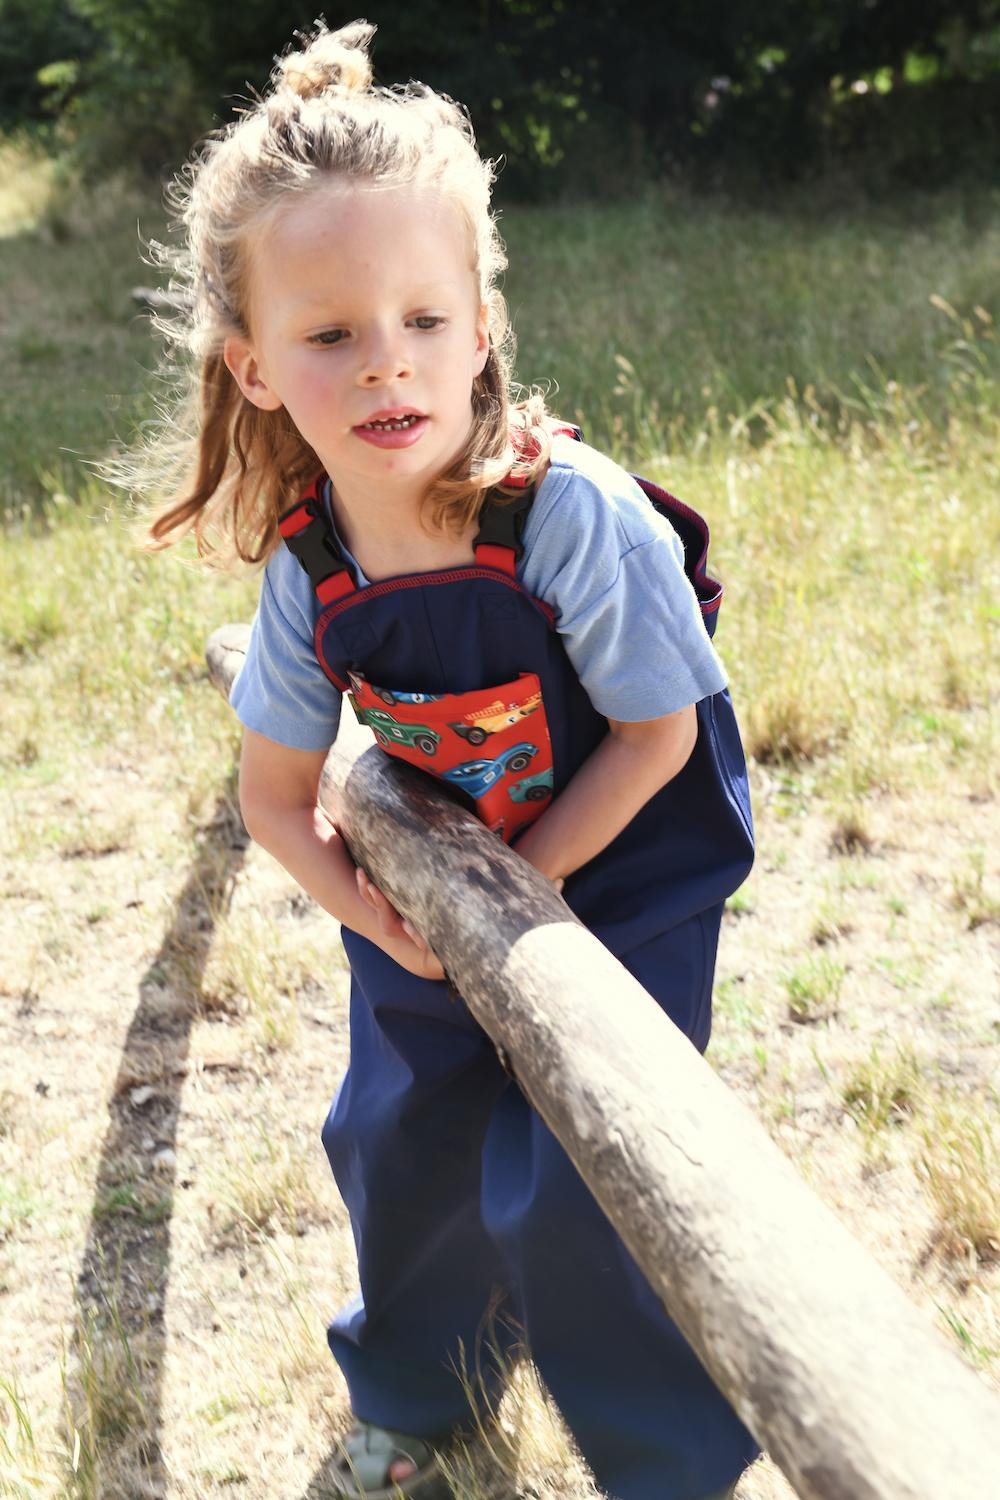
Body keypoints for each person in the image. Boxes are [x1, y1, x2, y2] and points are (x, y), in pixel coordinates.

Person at [139, 20, 757, 1500]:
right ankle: (422, 1401)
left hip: (631, 863)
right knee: (398, 1131)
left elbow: (663, 738)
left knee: (585, 1173)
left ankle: (665, 1461)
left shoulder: (570, 519)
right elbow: (277, 800)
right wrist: (396, 926)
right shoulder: (314, 564)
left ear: (481, 323)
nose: (387, 363)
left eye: (423, 318)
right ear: (259, 366)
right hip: (430, 887)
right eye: (332, 333)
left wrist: (518, 909)